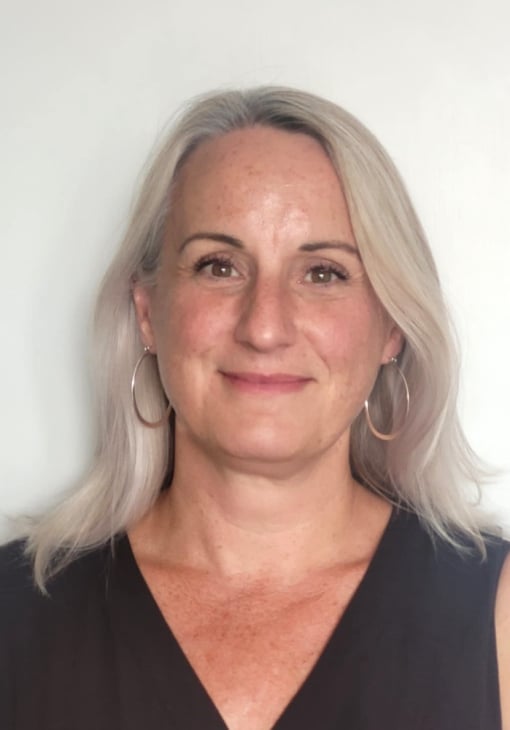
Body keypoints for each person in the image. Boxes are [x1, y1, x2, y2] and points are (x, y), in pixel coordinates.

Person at [1, 86, 509, 730]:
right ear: (148, 312)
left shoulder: (497, 616)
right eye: (219, 266)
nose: (265, 327)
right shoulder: (14, 616)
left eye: (322, 273)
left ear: (392, 328)